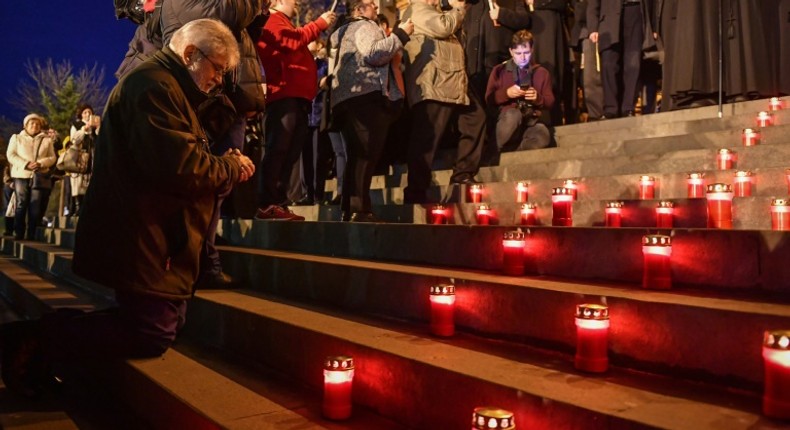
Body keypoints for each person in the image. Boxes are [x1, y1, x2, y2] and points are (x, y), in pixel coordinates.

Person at [0, 19, 256, 398]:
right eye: (217, 68)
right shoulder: (154, 86)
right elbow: (180, 168)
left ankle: (40, 351)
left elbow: (182, 155)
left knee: (159, 322)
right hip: (144, 231)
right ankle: (29, 341)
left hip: (154, 231)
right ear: (190, 54)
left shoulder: (168, 87)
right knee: (150, 330)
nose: (219, 80)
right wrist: (232, 167)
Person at [159, 0, 269, 288]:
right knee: (204, 188)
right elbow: (189, 167)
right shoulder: (161, 88)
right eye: (217, 70)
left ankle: (201, 257)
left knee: (215, 189)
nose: (219, 77)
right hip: (212, 103)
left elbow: (243, 33)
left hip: (228, 101)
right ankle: (199, 262)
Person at [330, 0, 413, 221]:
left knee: (356, 155)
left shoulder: (344, 32)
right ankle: (360, 210)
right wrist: (400, 35)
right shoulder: (365, 26)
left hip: (345, 98)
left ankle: (350, 208)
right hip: (365, 95)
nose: (376, 7)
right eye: (371, 4)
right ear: (359, 10)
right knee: (366, 153)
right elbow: (374, 54)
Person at [254, 0, 336, 220]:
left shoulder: (284, 22)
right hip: (283, 96)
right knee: (278, 150)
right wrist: (318, 24)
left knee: (289, 154)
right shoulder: (271, 20)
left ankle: (279, 202)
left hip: (297, 98)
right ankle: (267, 203)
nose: (297, 2)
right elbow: (288, 42)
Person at [401, 0, 476, 204]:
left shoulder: (434, 11)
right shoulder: (416, 10)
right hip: (432, 86)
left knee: (476, 119)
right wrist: (458, 7)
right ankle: (416, 193)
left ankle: (462, 173)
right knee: (426, 142)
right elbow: (444, 27)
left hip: (450, 83)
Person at [486, 30, 555, 151]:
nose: (523, 57)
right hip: (507, 121)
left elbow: (550, 101)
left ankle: (514, 150)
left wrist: (538, 98)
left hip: (529, 122)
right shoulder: (499, 70)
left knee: (543, 134)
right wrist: (506, 93)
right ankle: (493, 148)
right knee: (514, 115)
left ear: (532, 49)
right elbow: (488, 98)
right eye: (518, 53)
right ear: (511, 52)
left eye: (526, 53)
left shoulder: (542, 73)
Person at [588, 0, 645, 118]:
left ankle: (628, 107)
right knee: (608, 63)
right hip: (608, 17)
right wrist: (593, 26)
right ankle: (610, 108)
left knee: (633, 63)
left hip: (635, 11)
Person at [5, 114, 57, 240]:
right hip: (21, 174)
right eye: (32, 124)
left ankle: (32, 233)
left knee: (35, 205)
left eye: (37, 124)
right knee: (21, 203)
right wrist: (25, 164)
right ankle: (19, 232)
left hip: (38, 175)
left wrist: (41, 163)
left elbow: (52, 157)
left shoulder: (47, 140)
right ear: (25, 125)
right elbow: (10, 155)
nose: (35, 126)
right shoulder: (16, 138)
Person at [570, 0, 603, 121]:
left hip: (593, 30)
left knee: (593, 76)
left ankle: (597, 113)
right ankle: (593, 112)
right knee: (586, 78)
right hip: (581, 34)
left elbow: (584, 10)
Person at [67, 105, 99, 216]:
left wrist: (98, 127)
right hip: (80, 158)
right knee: (78, 184)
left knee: (91, 183)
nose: (87, 114)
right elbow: (74, 140)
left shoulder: (96, 126)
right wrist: (83, 130)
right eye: (85, 112)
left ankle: (90, 209)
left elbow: (101, 139)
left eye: (89, 112)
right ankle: (78, 209)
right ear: (81, 114)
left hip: (94, 157)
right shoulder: (77, 125)